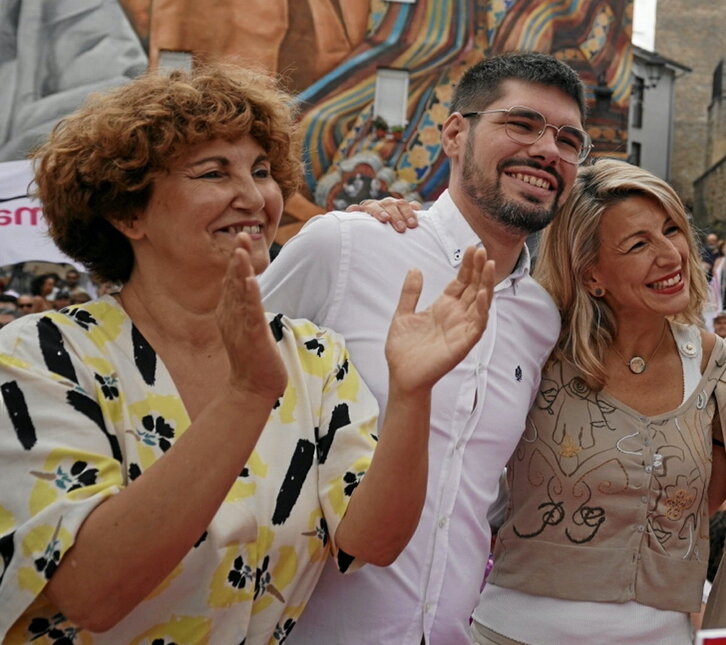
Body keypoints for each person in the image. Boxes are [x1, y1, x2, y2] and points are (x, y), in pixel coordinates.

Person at [0, 63, 496, 644]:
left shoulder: (313, 355)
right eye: (213, 172)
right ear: (127, 212)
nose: (253, 195)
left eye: (261, 171)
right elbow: (90, 594)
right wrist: (247, 397)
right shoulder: (40, 359)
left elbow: (371, 542)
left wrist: (413, 394)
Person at [260, 51, 590, 643]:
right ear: (455, 134)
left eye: (569, 139)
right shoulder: (346, 246)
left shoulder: (542, 319)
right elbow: (209, 376)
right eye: (522, 124)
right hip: (304, 627)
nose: (548, 149)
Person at [467, 158, 726, 644]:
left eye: (672, 229)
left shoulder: (714, 366)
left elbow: (693, 510)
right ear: (591, 276)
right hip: (513, 634)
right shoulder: (531, 347)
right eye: (638, 244)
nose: (671, 255)